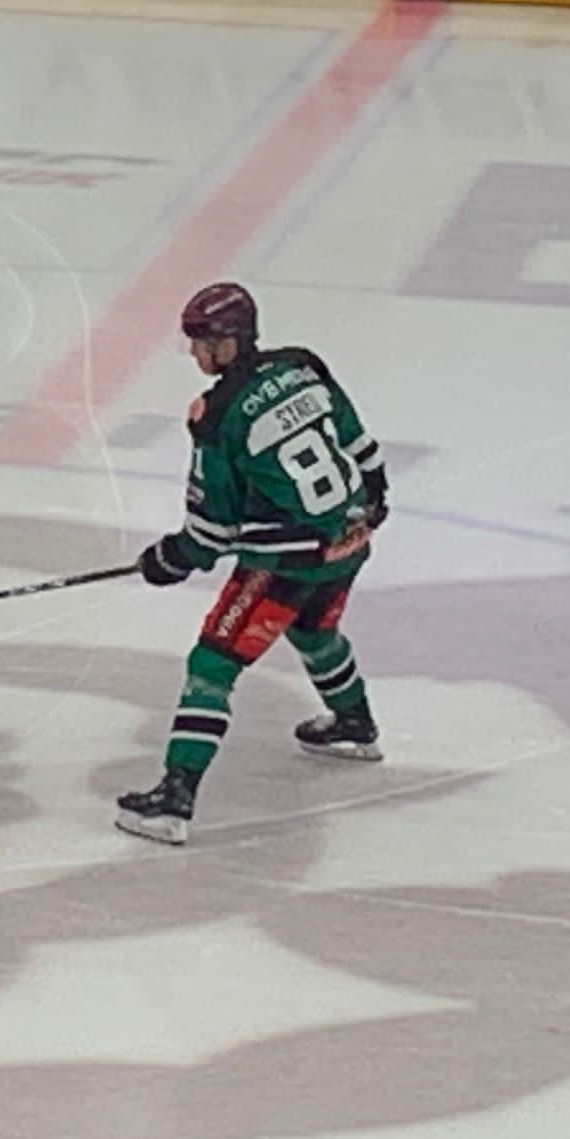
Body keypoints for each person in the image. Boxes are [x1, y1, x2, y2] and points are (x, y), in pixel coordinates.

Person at [117, 282, 387, 846]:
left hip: (282, 565)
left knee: (211, 666)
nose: (194, 353)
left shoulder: (217, 417)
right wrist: (373, 501)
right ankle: (354, 721)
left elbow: (210, 532)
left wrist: (169, 559)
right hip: (350, 541)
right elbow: (360, 445)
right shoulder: (301, 367)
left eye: (201, 342)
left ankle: (174, 798)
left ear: (228, 341)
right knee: (314, 631)